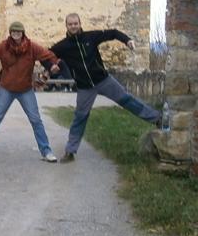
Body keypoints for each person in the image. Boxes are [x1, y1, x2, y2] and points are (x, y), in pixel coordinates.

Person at [49, 13, 162, 162]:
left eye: (75, 23)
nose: (73, 26)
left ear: (80, 23)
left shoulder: (90, 37)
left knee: (127, 100)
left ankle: (157, 118)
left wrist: (127, 40)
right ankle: (70, 151)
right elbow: (48, 54)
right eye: (70, 24)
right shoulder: (63, 46)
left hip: (103, 80)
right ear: (66, 26)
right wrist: (51, 65)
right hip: (84, 87)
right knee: (80, 117)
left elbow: (113, 33)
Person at [0, 21, 61, 162]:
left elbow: (47, 55)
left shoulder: (31, 47)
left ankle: (46, 151)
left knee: (36, 120)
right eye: (13, 32)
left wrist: (53, 65)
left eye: (18, 32)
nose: (16, 34)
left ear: (23, 33)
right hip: (6, 88)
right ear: (10, 33)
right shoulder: (4, 46)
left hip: (25, 89)